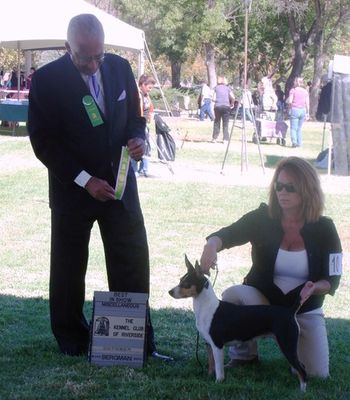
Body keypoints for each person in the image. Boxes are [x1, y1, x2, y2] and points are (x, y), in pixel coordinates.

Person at [28, 13, 170, 360]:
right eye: (84, 56)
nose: (93, 64)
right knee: (68, 268)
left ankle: (137, 342)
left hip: (120, 188)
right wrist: (85, 180)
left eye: (98, 56)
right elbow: (43, 141)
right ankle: (72, 340)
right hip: (73, 190)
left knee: (132, 262)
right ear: (67, 48)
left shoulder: (120, 69)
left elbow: (136, 120)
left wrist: (139, 140)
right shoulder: (46, 80)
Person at [200, 156, 342, 378]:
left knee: (316, 373)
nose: (282, 192)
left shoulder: (325, 228)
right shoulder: (262, 217)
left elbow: (332, 277)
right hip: (263, 301)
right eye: (279, 186)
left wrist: (314, 288)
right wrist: (212, 244)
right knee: (232, 295)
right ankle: (243, 355)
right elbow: (229, 233)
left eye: (290, 187)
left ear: (307, 190)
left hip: (303, 307)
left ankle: (293, 349)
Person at [131, 74, 155, 177]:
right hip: (136, 125)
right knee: (136, 146)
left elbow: (150, 107)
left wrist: (150, 115)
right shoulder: (136, 95)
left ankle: (144, 169)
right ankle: (134, 169)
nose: (150, 90)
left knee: (146, 147)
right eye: (149, 87)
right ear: (143, 85)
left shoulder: (146, 96)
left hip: (144, 125)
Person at [287, 77, 310, 148]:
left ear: (296, 82)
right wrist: (307, 112)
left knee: (293, 128)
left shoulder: (293, 91)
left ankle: (294, 142)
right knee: (299, 128)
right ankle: (299, 143)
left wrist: (289, 108)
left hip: (295, 109)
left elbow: (290, 101)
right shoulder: (305, 91)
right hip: (303, 110)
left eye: (294, 81)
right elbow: (307, 103)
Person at [212, 76, 235, 143]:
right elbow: (233, 97)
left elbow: (213, 98)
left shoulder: (216, 88)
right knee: (225, 123)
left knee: (217, 122)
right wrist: (232, 103)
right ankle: (225, 139)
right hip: (226, 106)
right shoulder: (228, 88)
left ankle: (214, 138)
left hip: (218, 106)